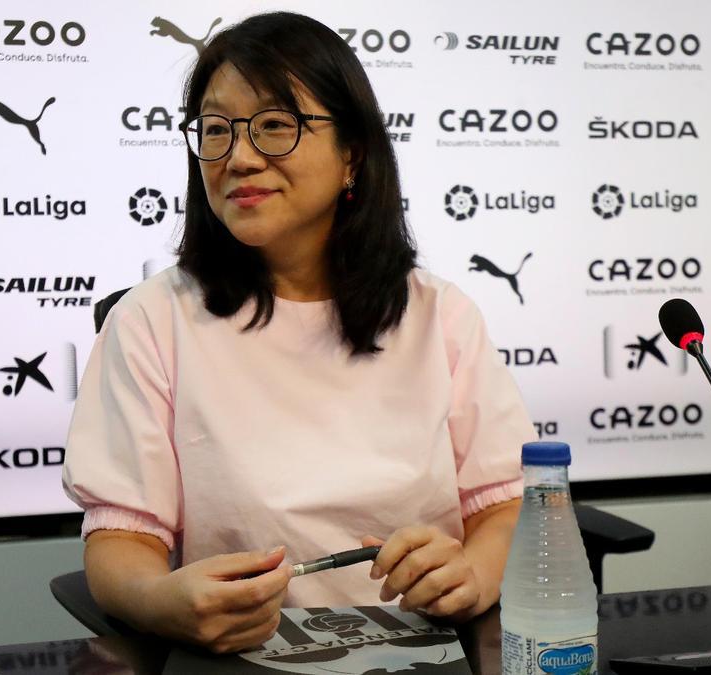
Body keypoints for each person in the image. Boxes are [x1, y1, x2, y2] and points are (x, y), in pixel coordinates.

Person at [62, 11, 535, 654]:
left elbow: (504, 506)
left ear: (352, 155)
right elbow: (121, 541)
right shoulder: (152, 320)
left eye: (276, 126)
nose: (240, 157)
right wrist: (161, 602)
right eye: (217, 130)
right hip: (244, 658)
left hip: (429, 651)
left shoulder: (439, 315)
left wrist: (475, 573)